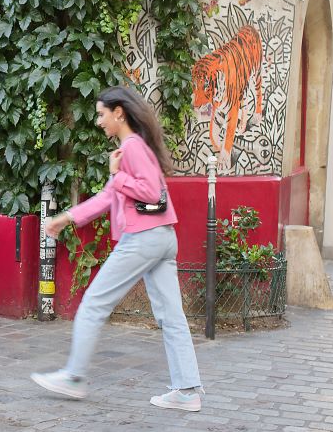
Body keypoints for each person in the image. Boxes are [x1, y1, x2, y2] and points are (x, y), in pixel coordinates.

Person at [32, 86, 204, 412]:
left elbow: (150, 192)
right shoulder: (134, 148)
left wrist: (117, 175)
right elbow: (107, 198)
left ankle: (74, 376)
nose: (99, 121)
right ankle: (186, 391)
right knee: (172, 316)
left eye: (101, 114)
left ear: (118, 113)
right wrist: (66, 218)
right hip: (162, 236)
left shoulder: (133, 147)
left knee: (94, 304)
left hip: (143, 239)